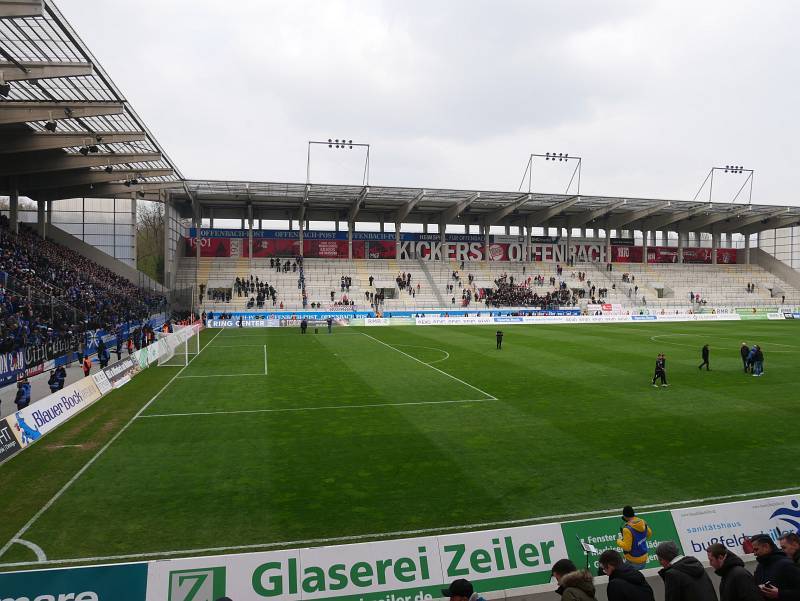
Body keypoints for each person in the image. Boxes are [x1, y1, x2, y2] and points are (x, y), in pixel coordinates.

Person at [750, 533, 800, 599]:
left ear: (766, 546)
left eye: (756, 549)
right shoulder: (760, 566)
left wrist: (780, 594)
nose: (755, 553)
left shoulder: (787, 564)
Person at [617, 505, 652, 570]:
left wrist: (619, 541)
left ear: (624, 516)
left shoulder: (627, 529)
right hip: (644, 558)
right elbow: (649, 534)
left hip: (633, 561)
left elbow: (627, 548)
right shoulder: (642, 522)